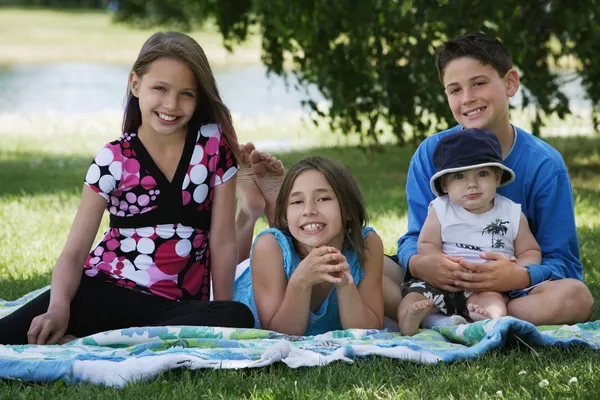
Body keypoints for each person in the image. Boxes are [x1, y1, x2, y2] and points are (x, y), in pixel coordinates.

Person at [0, 31, 255, 346]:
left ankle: (94, 341)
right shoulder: (114, 158)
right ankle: (102, 337)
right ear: (136, 84)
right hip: (103, 291)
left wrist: (220, 314)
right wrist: (58, 307)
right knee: (9, 335)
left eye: (186, 93)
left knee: (236, 316)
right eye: (159, 88)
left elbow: (223, 239)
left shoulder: (214, 147)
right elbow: (75, 252)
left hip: (173, 308)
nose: (171, 104)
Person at [384, 32, 594, 328]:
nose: (468, 99)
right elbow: (413, 238)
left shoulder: (544, 165)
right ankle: (440, 316)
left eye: (479, 83)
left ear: (510, 82)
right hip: (439, 281)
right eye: (455, 90)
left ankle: (479, 317)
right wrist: (423, 264)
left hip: (513, 289)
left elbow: (564, 262)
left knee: (576, 297)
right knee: (369, 263)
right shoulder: (430, 154)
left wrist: (517, 276)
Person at [397, 128, 542, 335]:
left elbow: (530, 251)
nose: (472, 184)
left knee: (494, 302)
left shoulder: (511, 212)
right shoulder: (440, 209)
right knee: (414, 297)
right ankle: (411, 319)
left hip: (488, 284)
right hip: (443, 280)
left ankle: (489, 321)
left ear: (498, 177)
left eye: (482, 174)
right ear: (445, 184)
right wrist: (439, 263)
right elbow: (426, 244)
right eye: (459, 176)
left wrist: (517, 269)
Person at [233, 155, 385, 336]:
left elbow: (369, 332)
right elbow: (281, 335)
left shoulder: (368, 244)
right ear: (286, 214)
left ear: (349, 210)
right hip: (247, 285)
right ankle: (248, 208)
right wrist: (301, 281)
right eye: (297, 202)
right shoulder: (269, 247)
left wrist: (346, 287)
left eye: (323, 199)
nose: (309, 210)